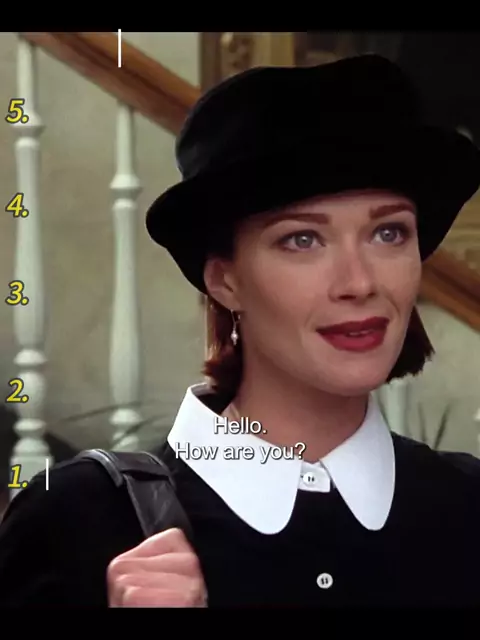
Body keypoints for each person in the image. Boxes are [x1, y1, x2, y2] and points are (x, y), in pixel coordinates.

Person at [1, 53, 480, 608]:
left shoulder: (467, 506)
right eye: (302, 240)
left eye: (389, 233)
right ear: (225, 280)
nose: (359, 282)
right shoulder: (77, 520)